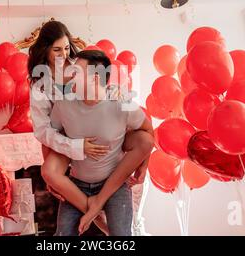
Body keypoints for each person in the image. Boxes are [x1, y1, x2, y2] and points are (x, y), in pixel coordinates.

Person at [28, 21, 153, 235]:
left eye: (66, 48)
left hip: (96, 130)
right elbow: (44, 131)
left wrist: (116, 92)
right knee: (48, 171)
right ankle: (92, 209)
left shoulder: (79, 65)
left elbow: (100, 81)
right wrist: (73, 149)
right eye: (57, 49)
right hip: (64, 138)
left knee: (140, 139)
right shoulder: (40, 84)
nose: (63, 54)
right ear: (45, 49)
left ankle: (97, 208)